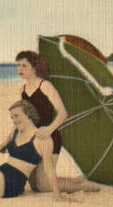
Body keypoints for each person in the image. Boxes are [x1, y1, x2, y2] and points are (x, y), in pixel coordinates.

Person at [12, 51, 99, 193]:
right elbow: (21, 118)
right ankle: (74, 180)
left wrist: (49, 129)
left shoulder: (45, 85)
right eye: (18, 65)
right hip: (32, 139)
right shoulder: (22, 89)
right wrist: (9, 139)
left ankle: (83, 186)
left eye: (24, 66)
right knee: (34, 185)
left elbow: (63, 113)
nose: (19, 69)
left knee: (43, 185)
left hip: (49, 137)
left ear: (34, 68)